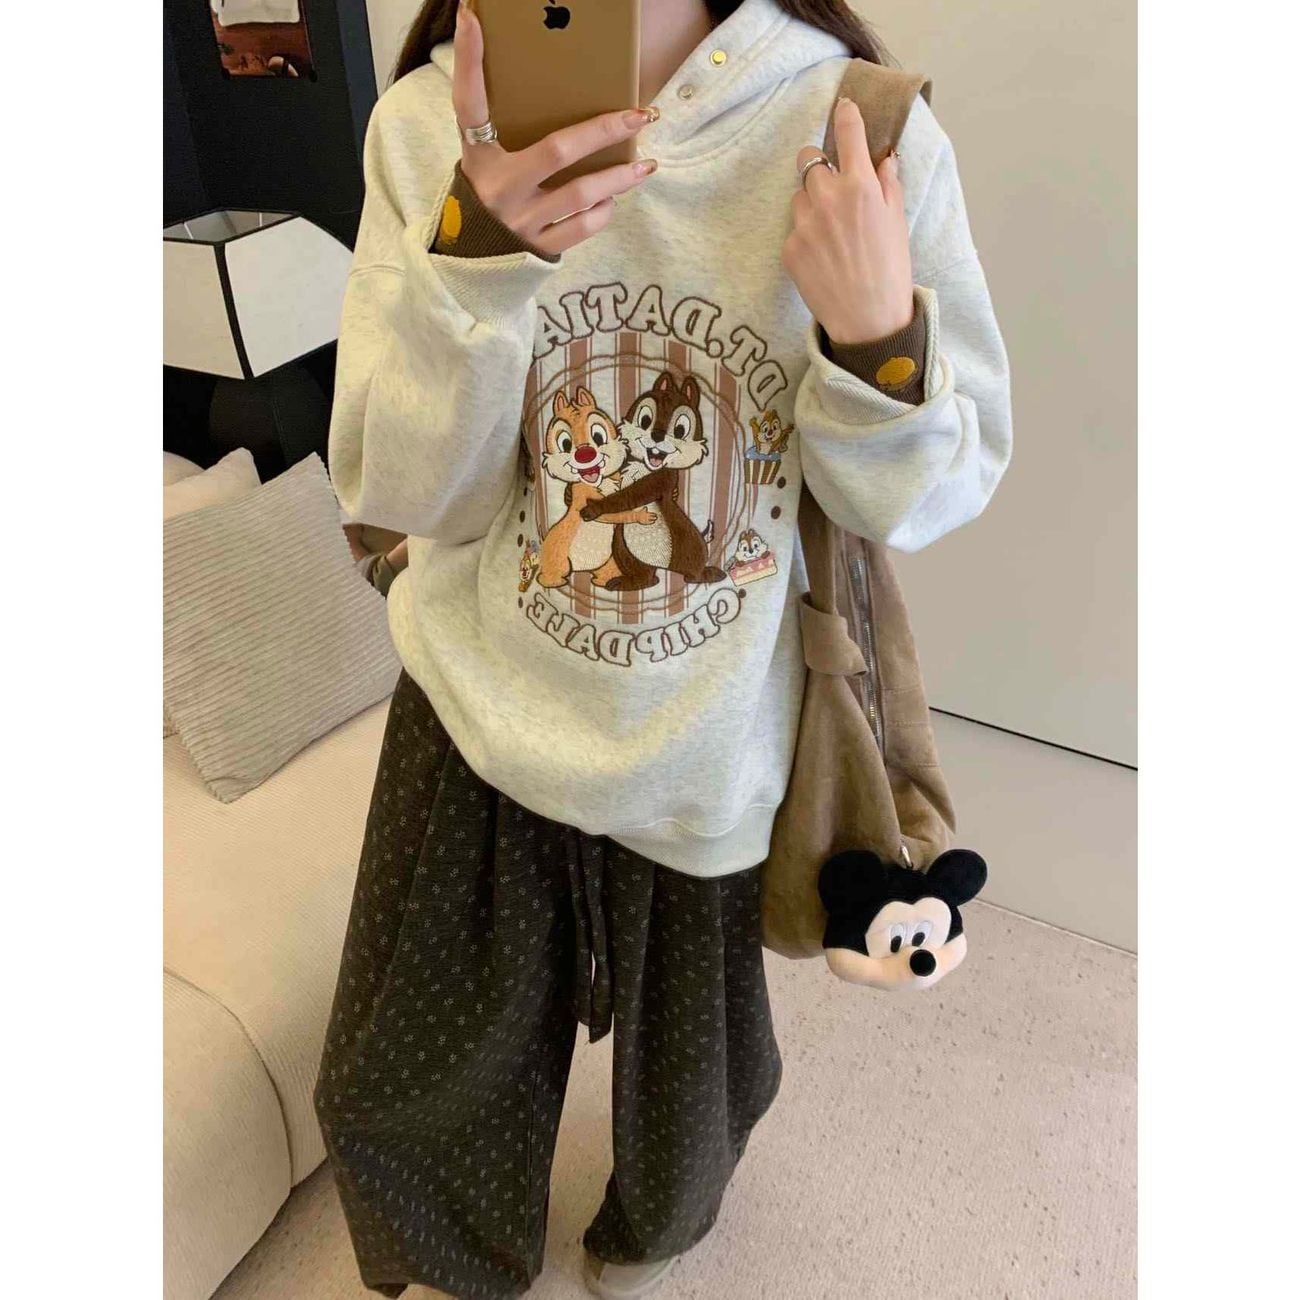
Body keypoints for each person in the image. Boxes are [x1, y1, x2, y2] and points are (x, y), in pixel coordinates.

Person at [313, 0, 1012, 1297]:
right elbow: (405, 494)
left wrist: (875, 340)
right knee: (398, 1081)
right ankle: (455, 1262)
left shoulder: (856, 127)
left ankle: (653, 1238)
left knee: (696, 1089)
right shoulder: (424, 124)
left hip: (711, 732)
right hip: (477, 708)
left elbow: (930, 498)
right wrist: (475, 266)